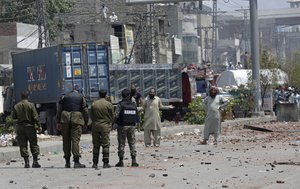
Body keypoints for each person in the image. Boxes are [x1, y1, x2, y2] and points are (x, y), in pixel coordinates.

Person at [56, 85, 89, 168]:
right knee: (75, 140)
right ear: (79, 91)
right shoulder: (81, 97)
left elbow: (59, 110)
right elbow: (85, 111)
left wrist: (58, 122)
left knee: (66, 140)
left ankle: (67, 162)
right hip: (77, 119)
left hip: (65, 118)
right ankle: (76, 162)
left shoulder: (64, 97)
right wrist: (86, 122)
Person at [11, 90, 41, 168]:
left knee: (23, 145)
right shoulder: (31, 105)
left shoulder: (17, 106)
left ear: (21, 97)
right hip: (30, 127)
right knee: (33, 144)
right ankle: (35, 162)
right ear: (28, 96)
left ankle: (26, 163)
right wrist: (38, 126)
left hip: (20, 127)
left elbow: (13, 117)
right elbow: (35, 117)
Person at [115, 89, 139, 167]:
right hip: (132, 126)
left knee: (121, 143)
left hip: (122, 126)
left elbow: (116, 115)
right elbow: (136, 116)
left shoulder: (120, 104)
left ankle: (121, 161)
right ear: (129, 95)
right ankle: (134, 160)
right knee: (132, 143)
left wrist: (114, 123)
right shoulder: (133, 104)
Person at [90, 89, 114, 169]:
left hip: (96, 125)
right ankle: (105, 163)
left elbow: (92, 116)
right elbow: (112, 116)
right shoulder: (108, 104)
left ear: (99, 95)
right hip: (105, 126)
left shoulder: (94, 104)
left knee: (96, 145)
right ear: (106, 94)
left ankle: (95, 163)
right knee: (105, 145)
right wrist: (110, 123)